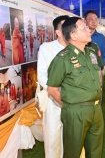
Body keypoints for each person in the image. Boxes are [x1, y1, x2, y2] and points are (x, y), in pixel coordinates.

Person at [47, 17, 104, 158]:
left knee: (95, 152)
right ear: (73, 35)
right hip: (76, 112)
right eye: (83, 28)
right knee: (73, 153)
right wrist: (69, 106)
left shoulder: (91, 52)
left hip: (96, 109)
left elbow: (98, 74)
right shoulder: (62, 58)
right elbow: (52, 89)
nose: (88, 29)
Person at [37, 15, 69, 158]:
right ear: (58, 32)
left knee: (72, 140)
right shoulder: (46, 48)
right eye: (65, 27)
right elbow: (42, 76)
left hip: (74, 101)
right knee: (53, 140)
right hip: (52, 100)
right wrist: (55, 92)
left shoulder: (78, 48)